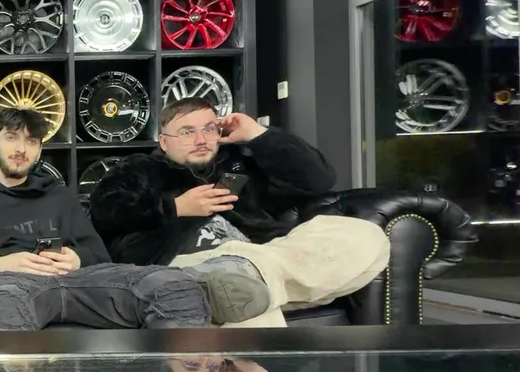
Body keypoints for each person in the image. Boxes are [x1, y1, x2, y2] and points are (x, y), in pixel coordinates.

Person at [89, 97, 390, 327]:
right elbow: (104, 211)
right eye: (187, 132)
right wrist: (176, 208)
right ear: (164, 142)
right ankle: (237, 282)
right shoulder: (140, 169)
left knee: (367, 235)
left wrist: (259, 135)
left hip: (260, 256)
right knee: (246, 297)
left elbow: (319, 179)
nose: (201, 139)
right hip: (182, 264)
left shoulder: (240, 162)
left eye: (209, 129)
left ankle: (242, 279)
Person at [0, 108, 272, 330]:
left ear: (39, 150)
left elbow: (99, 254)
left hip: (80, 281)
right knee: (4, 302)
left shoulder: (58, 195)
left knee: (172, 285)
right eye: (11, 138)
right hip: (12, 283)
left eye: (31, 141)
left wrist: (76, 258)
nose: (21, 149)